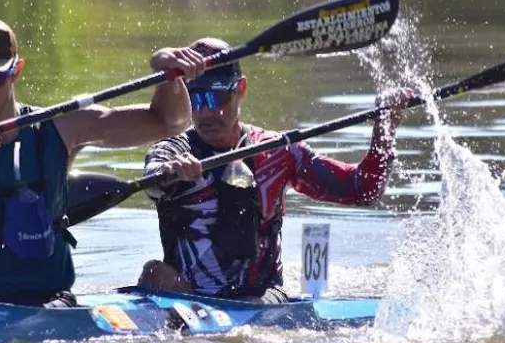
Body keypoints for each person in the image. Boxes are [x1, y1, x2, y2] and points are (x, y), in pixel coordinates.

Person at [0, 16, 207, 306]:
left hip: (52, 304)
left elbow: (170, 122)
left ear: (16, 70)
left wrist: (170, 74)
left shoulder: (63, 126)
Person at [138, 37, 412, 303]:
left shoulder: (279, 150)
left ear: (240, 89)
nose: (206, 112)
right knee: (155, 273)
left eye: (216, 98)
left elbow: (362, 190)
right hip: (187, 296)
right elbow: (152, 179)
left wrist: (384, 129)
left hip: (261, 296)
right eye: (196, 100)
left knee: (252, 305)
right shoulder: (173, 150)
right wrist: (168, 172)